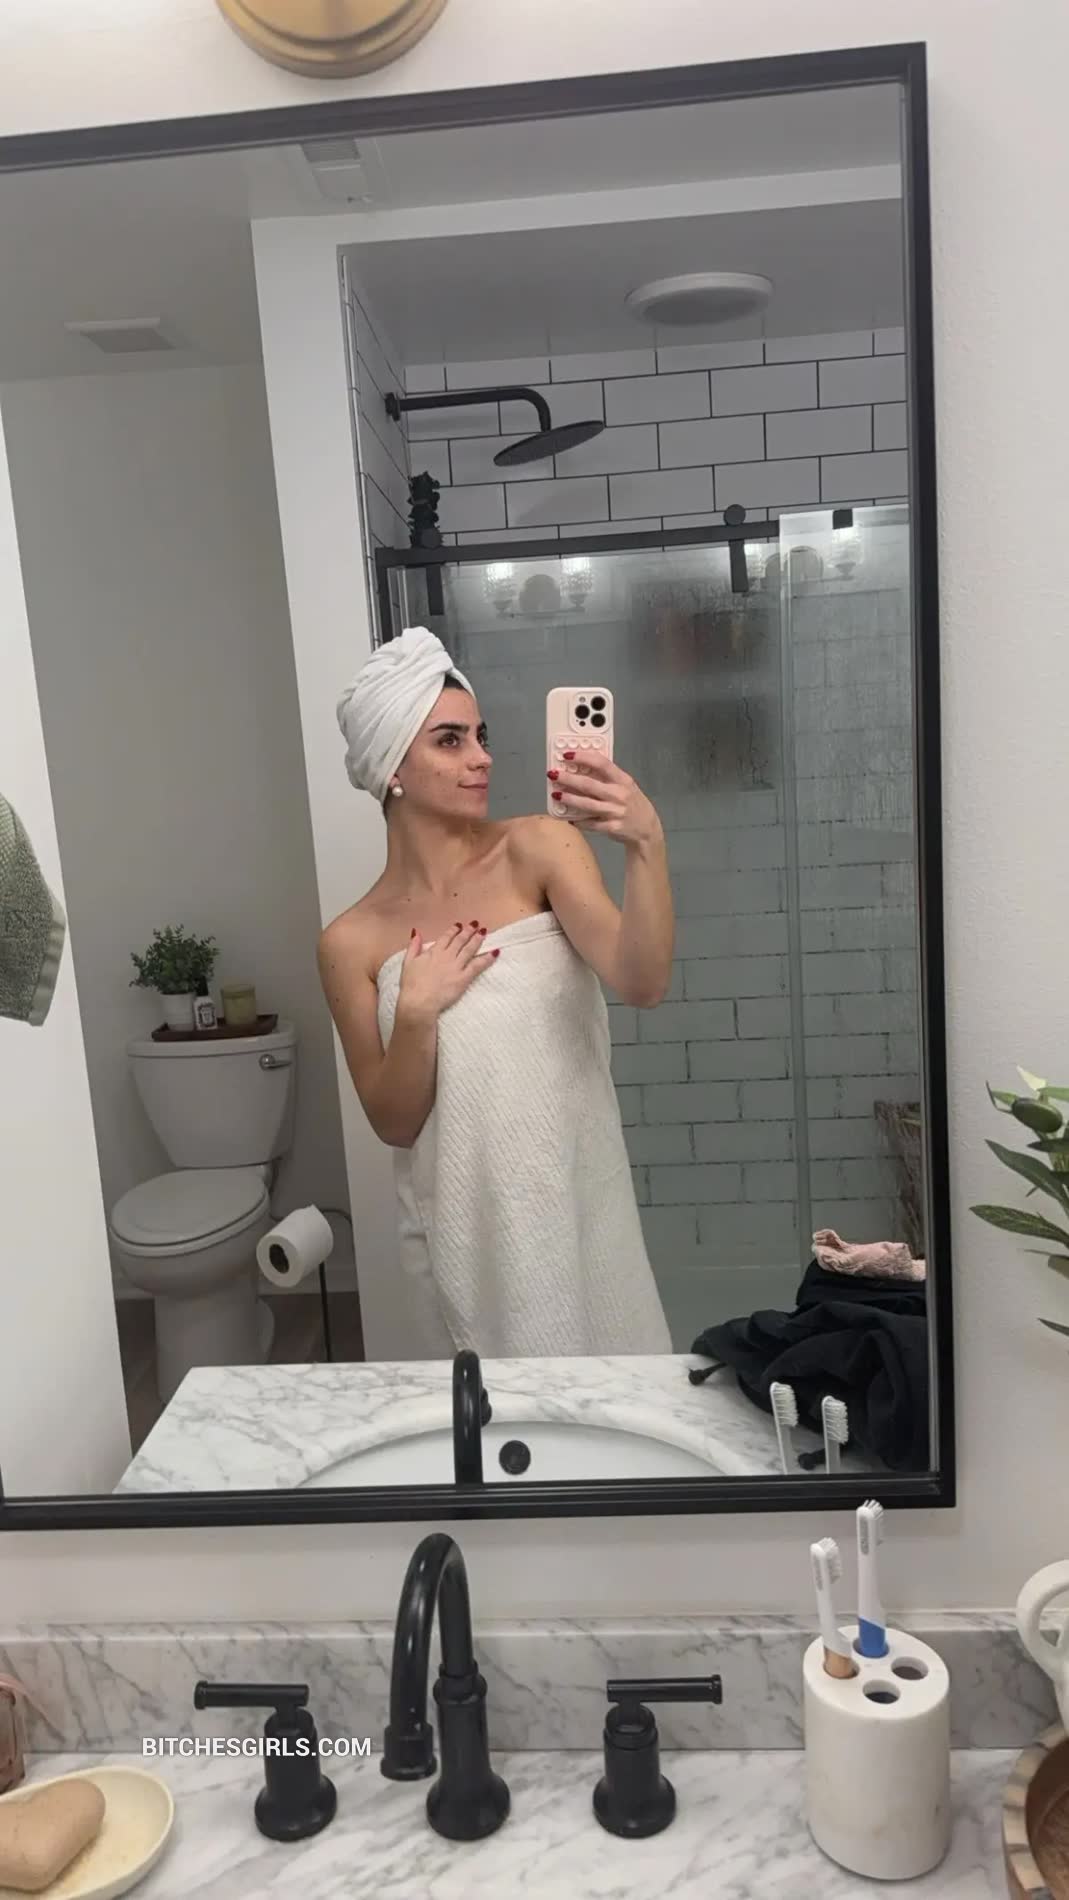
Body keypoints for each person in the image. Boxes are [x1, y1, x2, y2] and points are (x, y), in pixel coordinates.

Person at [319, 624, 674, 1358]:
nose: (481, 757)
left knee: (615, 1403)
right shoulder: (349, 942)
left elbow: (641, 982)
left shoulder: (539, 848)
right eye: (449, 741)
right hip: (466, 1238)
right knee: (496, 1421)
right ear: (391, 766)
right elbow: (394, 1122)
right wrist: (416, 1013)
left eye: (480, 736)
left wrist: (646, 844)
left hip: (579, 1204)